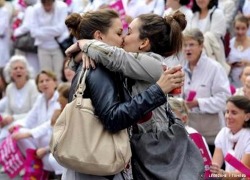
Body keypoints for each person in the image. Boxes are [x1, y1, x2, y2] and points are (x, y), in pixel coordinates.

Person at [64, 9, 186, 179]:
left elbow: (117, 58)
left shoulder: (153, 63)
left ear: (143, 43)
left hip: (156, 148)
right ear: (99, 36)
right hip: (102, 159)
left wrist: (84, 44)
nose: (123, 38)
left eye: (127, 32)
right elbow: (113, 116)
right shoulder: (100, 67)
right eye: (120, 32)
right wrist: (82, 51)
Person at [181, 28, 231, 154]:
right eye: (185, 45)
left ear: (201, 46)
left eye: (191, 44)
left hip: (212, 136)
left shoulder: (215, 68)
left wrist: (198, 103)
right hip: (190, 135)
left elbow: (224, 99)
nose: (187, 49)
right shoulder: (180, 68)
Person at [9, 70, 64, 175]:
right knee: (19, 131)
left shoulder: (59, 99)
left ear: (55, 82)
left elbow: (50, 124)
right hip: (41, 140)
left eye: (47, 80)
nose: (44, 83)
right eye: (41, 81)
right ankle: (35, 162)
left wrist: (29, 133)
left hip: (55, 143)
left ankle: (46, 167)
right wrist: (16, 125)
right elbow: (30, 118)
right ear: (38, 86)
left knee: (24, 134)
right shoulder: (40, 98)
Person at [0, 55, 39, 142]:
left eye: (21, 68)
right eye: (15, 68)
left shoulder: (32, 86)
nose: (18, 70)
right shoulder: (9, 88)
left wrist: (13, 118)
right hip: (12, 124)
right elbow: (8, 111)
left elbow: (34, 112)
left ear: (26, 71)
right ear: (10, 72)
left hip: (28, 123)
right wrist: (5, 118)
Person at [210, 95, 250, 178]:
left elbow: (243, 173)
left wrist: (222, 174)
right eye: (227, 112)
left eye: (234, 113)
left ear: (247, 117)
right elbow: (215, 166)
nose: (228, 116)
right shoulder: (223, 133)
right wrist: (215, 172)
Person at [30, 0, 69, 81]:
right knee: (46, 75)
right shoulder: (35, 9)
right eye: (45, 3)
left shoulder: (62, 6)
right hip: (42, 47)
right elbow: (33, 32)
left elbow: (60, 29)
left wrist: (42, 31)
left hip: (58, 46)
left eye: (49, 3)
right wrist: (53, 32)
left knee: (59, 75)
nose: (47, 7)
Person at [187, 0, 230, 74]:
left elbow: (215, 36)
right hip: (195, 60)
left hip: (212, 58)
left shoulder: (217, 13)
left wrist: (196, 40)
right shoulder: (193, 15)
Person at [227, 14, 250, 88]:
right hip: (232, 84)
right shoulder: (229, 44)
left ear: (247, 28)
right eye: (237, 28)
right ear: (234, 28)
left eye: (243, 28)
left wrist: (247, 63)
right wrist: (231, 65)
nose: (240, 32)